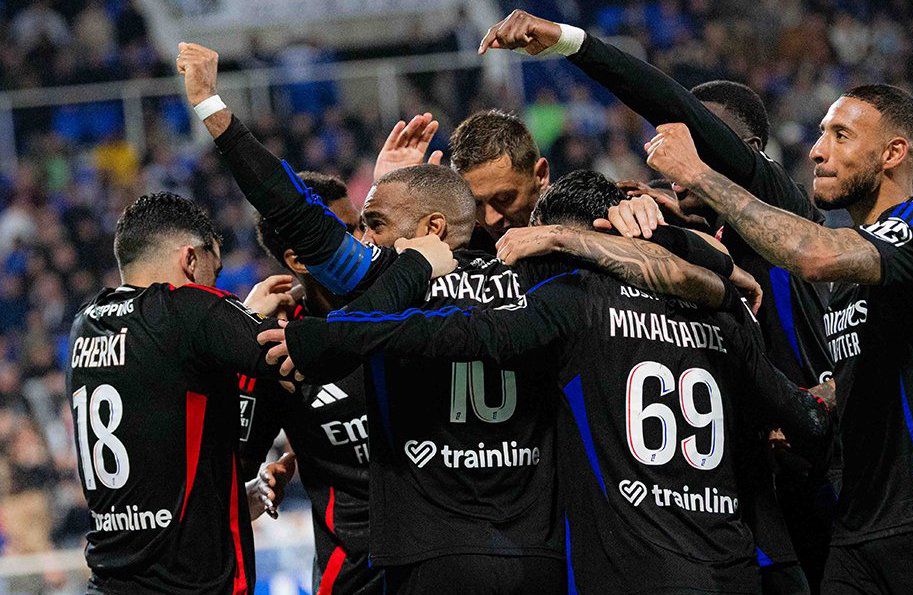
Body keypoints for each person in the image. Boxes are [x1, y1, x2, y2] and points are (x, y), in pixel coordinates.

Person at [177, 41, 740, 594]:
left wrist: (212, 108)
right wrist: (695, 254)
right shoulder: (545, 275)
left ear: (433, 227)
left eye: (375, 223)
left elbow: (293, 210)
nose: (366, 236)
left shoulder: (394, 280)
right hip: (539, 554)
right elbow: (695, 265)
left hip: (431, 552)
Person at [269, 170, 835, 594]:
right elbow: (803, 419)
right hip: (740, 562)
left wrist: (330, 336)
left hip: (624, 568)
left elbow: (458, 332)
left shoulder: (570, 304)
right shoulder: (722, 311)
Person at [477, 11, 834, 590]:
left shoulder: (780, 213)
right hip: (749, 506)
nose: (676, 168)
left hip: (825, 477)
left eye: (698, 149)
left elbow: (666, 100)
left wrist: (571, 43)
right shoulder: (684, 242)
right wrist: (636, 228)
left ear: (744, 154)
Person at [643, 86, 913, 593]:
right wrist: (809, 403)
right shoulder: (849, 283)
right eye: (822, 134)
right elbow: (861, 376)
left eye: (840, 135)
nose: (818, 151)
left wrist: (698, 175)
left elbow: (812, 254)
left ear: (892, 153)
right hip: (857, 529)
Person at [67, 192, 286, 594]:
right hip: (189, 585)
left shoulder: (85, 325)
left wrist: (233, 501)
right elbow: (299, 356)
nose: (214, 285)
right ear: (189, 259)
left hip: (110, 581)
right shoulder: (188, 309)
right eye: (214, 272)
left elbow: (164, 444)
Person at [238, 171, 383, 594]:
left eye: (363, 226)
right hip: (354, 574)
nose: (364, 242)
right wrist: (242, 330)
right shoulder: (276, 344)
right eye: (346, 231)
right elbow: (234, 462)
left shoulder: (401, 303)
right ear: (298, 260)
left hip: (438, 558)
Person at [449, 109, 550, 242]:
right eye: (477, 203)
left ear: (541, 175)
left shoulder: (576, 220)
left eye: (504, 198)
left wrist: (563, 240)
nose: (490, 220)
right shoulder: (464, 241)